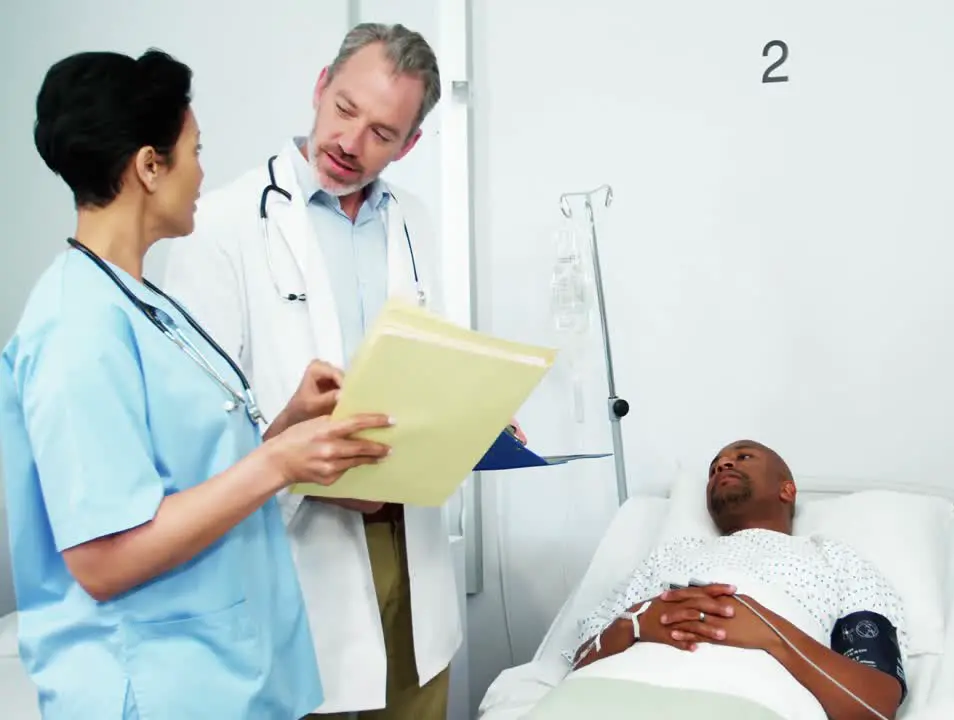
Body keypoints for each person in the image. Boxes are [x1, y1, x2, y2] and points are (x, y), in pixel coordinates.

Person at [0, 49, 395, 719]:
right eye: (195, 151)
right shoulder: (75, 324)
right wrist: (277, 463)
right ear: (149, 166)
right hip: (153, 685)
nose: (204, 173)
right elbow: (103, 558)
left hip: (224, 669)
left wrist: (289, 423)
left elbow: (195, 479)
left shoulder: (141, 303)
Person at [162, 23, 514, 719]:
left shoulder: (412, 220)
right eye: (346, 110)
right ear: (321, 87)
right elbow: (190, 437)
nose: (351, 144)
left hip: (409, 542)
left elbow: (427, 364)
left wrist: (476, 412)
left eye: (383, 133)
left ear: (411, 145)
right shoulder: (222, 226)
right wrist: (296, 457)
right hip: (296, 547)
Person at [539, 440, 909, 720]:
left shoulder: (833, 558)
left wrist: (773, 637)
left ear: (787, 490)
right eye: (715, 467)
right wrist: (634, 623)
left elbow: (875, 704)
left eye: (743, 456)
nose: (723, 465)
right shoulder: (670, 555)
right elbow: (580, 660)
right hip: (606, 698)